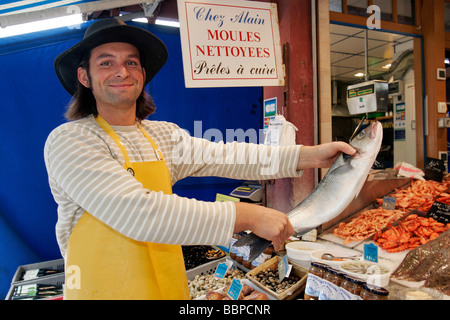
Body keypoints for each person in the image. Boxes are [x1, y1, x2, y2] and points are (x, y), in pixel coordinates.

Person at [45, 18, 355, 300]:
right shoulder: (71, 142)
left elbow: (229, 155)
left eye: (131, 62)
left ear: (142, 73)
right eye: (106, 62)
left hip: (167, 290)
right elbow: (139, 213)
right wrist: (246, 215)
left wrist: (310, 156)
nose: (121, 71)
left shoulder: (161, 136)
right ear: (84, 76)